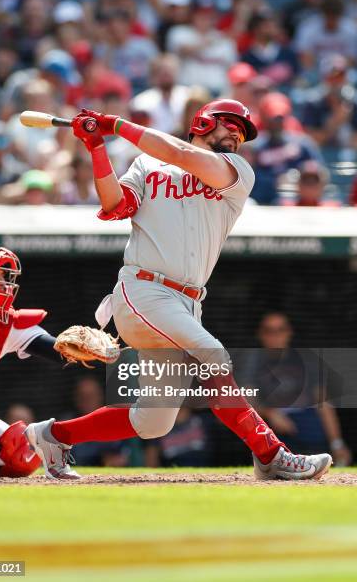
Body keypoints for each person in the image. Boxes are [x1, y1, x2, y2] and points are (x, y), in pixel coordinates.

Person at [26, 98, 332, 481]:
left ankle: (53, 436)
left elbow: (178, 152)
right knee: (214, 356)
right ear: (203, 122)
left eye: (242, 132)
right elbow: (115, 205)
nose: (236, 135)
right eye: (229, 125)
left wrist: (115, 124)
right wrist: (97, 148)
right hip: (144, 289)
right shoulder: (146, 164)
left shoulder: (237, 170)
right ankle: (272, 455)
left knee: (153, 421)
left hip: (187, 303)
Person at [0, 244, 85, 479]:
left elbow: (56, 350)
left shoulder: (4, 322)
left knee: (20, 457)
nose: (3, 283)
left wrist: (83, 349)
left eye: (4, 275)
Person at [241, 312, 352, 466]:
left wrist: (337, 444)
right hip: (271, 428)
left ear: (289, 332)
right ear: (260, 334)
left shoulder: (306, 360)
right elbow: (246, 399)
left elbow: (323, 403)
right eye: (269, 331)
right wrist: (270, 413)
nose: (275, 336)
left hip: (307, 424)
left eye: (280, 330)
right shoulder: (252, 361)